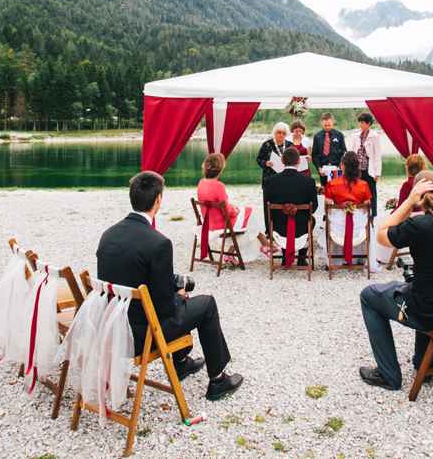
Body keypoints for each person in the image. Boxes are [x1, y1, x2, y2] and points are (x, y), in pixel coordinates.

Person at [96, 171, 244, 401]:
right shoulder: (159, 243)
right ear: (157, 201)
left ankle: (182, 362)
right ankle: (218, 379)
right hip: (142, 335)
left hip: (113, 327)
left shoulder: (108, 235)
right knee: (206, 304)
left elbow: (132, 277)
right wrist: (179, 294)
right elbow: (165, 308)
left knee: (176, 298)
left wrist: (171, 289)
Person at [357, 171, 433, 391]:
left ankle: (388, 374)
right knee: (425, 285)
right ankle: (424, 366)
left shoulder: (420, 225)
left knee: (369, 296)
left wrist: (409, 202)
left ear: (420, 199)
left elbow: (382, 234)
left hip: (427, 312)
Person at [264, 146, 319, 265]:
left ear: (282, 161)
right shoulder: (309, 181)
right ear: (299, 161)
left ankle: (285, 256)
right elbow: (314, 207)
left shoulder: (270, 181)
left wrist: (268, 229)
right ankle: (301, 257)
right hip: (301, 227)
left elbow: (266, 208)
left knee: (278, 216)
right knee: (311, 219)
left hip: (278, 227)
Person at [256, 122, 291, 251]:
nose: (281, 135)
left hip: (285, 181)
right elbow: (258, 159)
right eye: (278, 132)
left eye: (283, 133)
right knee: (268, 206)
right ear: (274, 133)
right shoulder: (267, 144)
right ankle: (269, 231)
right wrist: (266, 163)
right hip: (269, 180)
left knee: (282, 205)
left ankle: (281, 230)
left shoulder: (290, 145)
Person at [347, 112, 382, 218]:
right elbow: (352, 151)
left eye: (362, 122)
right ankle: (358, 211)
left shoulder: (375, 136)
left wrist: (377, 173)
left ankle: (373, 213)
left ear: (368, 123)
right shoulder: (356, 135)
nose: (360, 125)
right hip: (357, 168)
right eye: (360, 122)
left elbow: (377, 155)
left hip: (369, 168)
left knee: (371, 191)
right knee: (357, 190)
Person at [196, 153, 239, 230]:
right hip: (222, 226)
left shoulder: (201, 182)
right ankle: (265, 240)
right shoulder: (219, 186)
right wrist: (235, 210)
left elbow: (222, 205)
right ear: (220, 170)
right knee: (248, 212)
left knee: (237, 209)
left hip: (207, 224)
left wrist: (232, 208)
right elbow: (227, 211)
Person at [311, 112, 346, 185]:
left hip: (336, 169)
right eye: (325, 125)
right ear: (321, 123)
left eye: (329, 125)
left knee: (337, 191)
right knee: (325, 191)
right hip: (323, 170)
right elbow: (314, 154)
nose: (327, 127)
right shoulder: (317, 136)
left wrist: (340, 167)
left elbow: (344, 152)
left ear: (333, 122)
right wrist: (319, 168)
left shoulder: (339, 135)